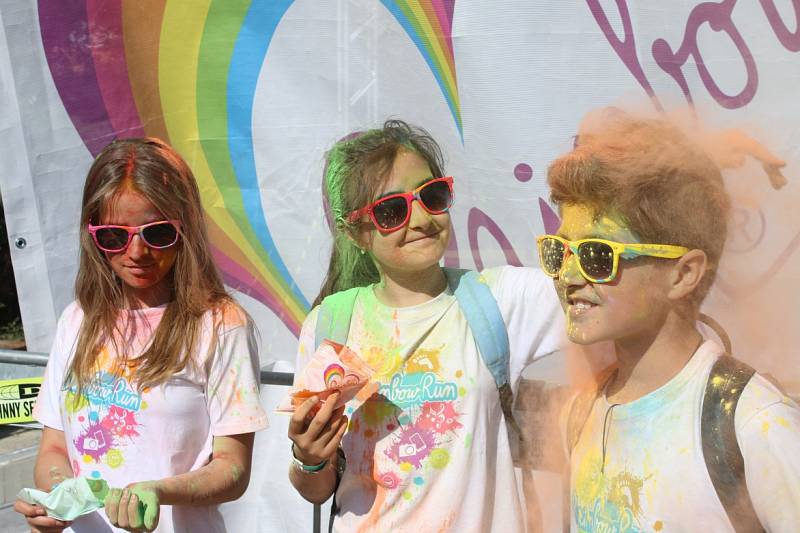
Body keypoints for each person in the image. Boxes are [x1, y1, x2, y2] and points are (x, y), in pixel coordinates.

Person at [287, 119, 563, 532]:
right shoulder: (331, 322)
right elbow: (316, 488)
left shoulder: (500, 299)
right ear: (357, 233)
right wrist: (308, 459)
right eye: (392, 210)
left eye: (432, 196)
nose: (420, 219)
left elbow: (609, 295)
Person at [539, 111, 800, 531]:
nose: (567, 276)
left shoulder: (753, 423)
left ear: (683, 274)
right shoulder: (579, 412)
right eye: (557, 251)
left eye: (597, 256)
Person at [13, 138, 268, 532]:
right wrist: (58, 500)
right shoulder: (77, 320)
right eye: (115, 236)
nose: (137, 252)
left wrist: (158, 491)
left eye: (158, 233)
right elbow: (53, 448)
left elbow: (232, 467)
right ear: (93, 235)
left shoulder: (220, 324)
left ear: (186, 229)